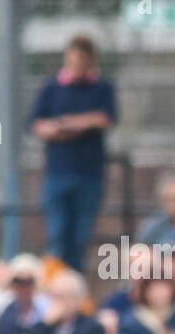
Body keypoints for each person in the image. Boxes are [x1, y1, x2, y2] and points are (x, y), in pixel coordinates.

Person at [27, 34, 116, 270]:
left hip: (89, 175)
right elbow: (36, 123)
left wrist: (76, 123)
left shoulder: (102, 87)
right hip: (57, 174)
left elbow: (105, 118)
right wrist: (58, 129)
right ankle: (55, 288)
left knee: (80, 239)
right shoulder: (52, 86)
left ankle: (75, 291)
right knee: (57, 237)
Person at [27, 271, 105, 334]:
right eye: (53, 296)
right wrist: (45, 325)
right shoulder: (43, 327)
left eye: (61, 297)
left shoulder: (92, 328)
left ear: (77, 300)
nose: (56, 302)